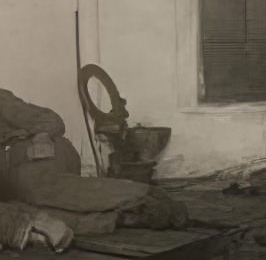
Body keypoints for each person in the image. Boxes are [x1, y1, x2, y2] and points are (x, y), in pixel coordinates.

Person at [0, 88, 187, 237]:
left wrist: (40, 137)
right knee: (24, 213)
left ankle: (143, 195)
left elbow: (51, 120)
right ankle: (121, 218)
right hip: (12, 175)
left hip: (38, 153)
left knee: (36, 188)